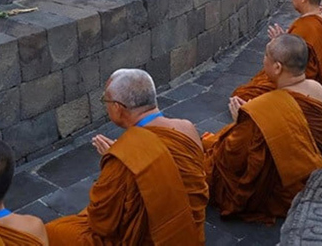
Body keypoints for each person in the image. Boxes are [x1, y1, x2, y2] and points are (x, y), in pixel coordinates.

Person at [45, 69, 207, 246]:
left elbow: (101, 223)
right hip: (191, 232)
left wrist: (121, 160)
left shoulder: (123, 158)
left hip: (154, 240)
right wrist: (126, 155)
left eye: (105, 101)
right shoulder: (187, 128)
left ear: (117, 107)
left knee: (53, 231)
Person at [203, 35, 322, 224]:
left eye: (265, 57)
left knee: (209, 159)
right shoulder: (318, 89)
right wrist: (258, 116)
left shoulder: (266, 106)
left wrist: (243, 122)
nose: (263, 61)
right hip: (317, 169)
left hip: (282, 186)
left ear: (277, 67)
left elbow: (232, 156)